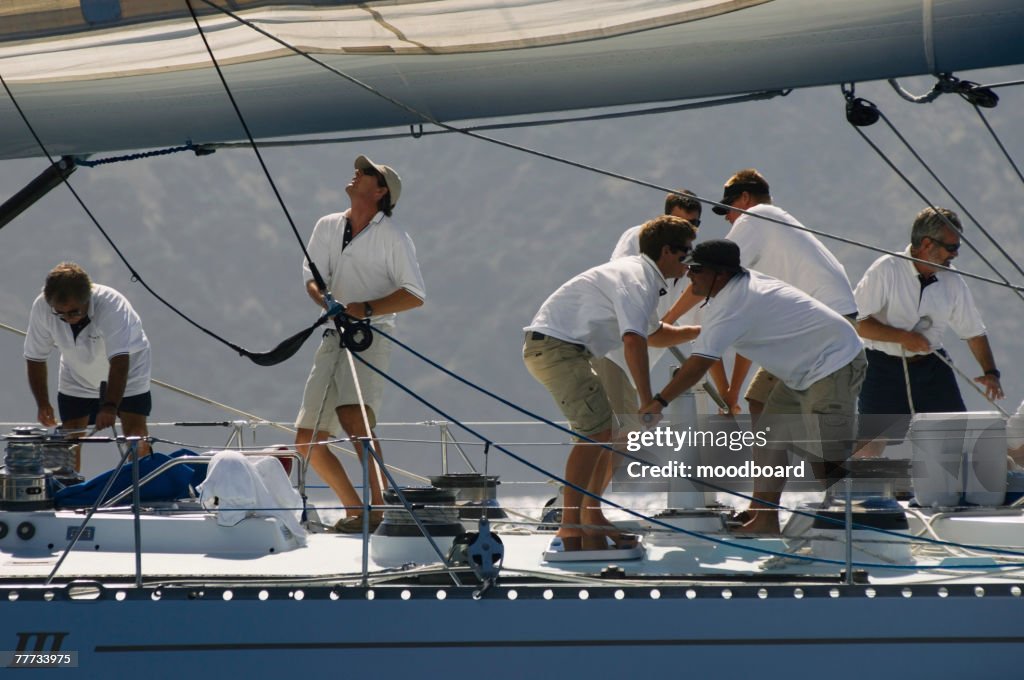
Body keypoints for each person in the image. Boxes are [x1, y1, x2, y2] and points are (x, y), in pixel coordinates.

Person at [639, 240, 866, 535]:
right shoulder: (732, 291)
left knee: (826, 457)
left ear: (718, 275)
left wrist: (658, 402)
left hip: (835, 362)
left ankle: (860, 525)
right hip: (801, 372)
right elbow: (718, 349)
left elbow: (698, 365)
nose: (688, 274)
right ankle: (765, 519)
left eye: (695, 269)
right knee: (771, 439)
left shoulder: (734, 304)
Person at [524, 216, 699, 551]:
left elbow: (655, 333)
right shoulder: (638, 279)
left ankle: (589, 518)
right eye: (685, 255)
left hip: (559, 348)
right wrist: (648, 400)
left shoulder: (643, 276)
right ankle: (569, 526)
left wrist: (702, 333)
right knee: (597, 431)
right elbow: (633, 341)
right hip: (558, 348)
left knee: (602, 430)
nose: (688, 264)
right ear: (666, 251)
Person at [294, 155, 426, 533]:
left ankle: (379, 510)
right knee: (307, 440)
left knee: (356, 418)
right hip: (333, 333)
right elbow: (311, 278)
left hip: (372, 334)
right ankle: (356, 512)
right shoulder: (327, 225)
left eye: (367, 173)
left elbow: (415, 294)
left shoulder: (394, 236)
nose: (357, 173)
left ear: (380, 191)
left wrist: (365, 309)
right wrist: (326, 301)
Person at [853, 207, 1003, 456]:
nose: (954, 255)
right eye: (951, 248)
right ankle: (855, 491)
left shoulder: (952, 280)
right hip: (882, 367)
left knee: (956, 435)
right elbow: (857, 322)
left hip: (931, 365)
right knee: (872, 441)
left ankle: (960, 490)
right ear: (926, 244)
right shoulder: (887, 269)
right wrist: (902, 337)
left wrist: (990, 372)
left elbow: (973, 330)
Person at [24, 262, 153, 469]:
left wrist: (110, 406)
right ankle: (69, 492)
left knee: (134, 434)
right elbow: (35, 357)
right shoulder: (42, 307)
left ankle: (142, 486)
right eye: (60, 314)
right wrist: (42, 403)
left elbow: (119, 360)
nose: (67, 319)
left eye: (74, 312)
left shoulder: (111, 305)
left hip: (129, 371)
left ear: (88, 299)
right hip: (76, 372)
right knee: (70, 435)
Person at [597, 190, 706, 418]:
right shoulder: (639, 236)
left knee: (616, 434)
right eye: (682, 222)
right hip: (612, 351)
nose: (690, 229)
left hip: (637, 365)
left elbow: (702, 334)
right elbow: (621, 281)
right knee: (618, 434)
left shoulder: (689, 263)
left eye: (695, 223)